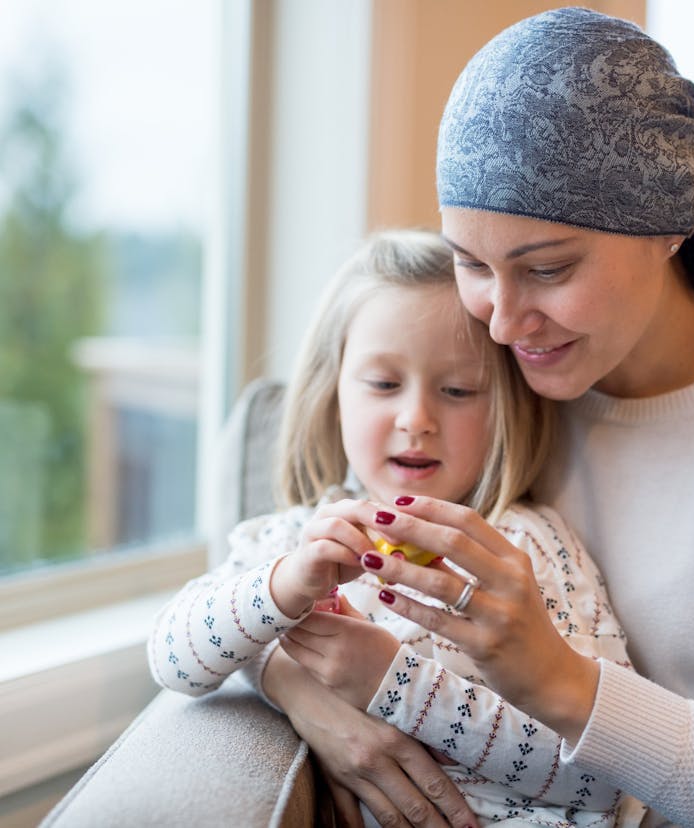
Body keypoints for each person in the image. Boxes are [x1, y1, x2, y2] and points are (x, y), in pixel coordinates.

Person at [294, 7, 694, 828]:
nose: (503, 321)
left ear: (668, 231)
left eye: (546, 268)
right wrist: (298, 687)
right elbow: (274, 557)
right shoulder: (486, 387)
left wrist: (561, 684)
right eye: (473, 263)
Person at [148, 229, 642, 827]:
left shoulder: (524, 548)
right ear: (333, 395)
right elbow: (173, 660)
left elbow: (605, 781)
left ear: (508, 405)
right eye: (383, 384)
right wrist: (280, 590)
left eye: (457, 390)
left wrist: (395, 683)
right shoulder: (292, 541)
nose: (416, 419)